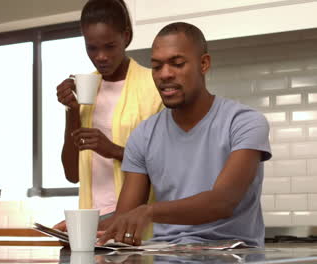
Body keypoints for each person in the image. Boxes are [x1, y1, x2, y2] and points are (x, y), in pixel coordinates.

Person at [97, 22, 272, 247]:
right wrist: (85, 226)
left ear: (204, 63)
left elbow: (223, 202)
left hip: (232, 255)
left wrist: (149, 211)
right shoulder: (143, 135)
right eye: (157, 67)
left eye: (177, 64)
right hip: (166, 255)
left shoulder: (244, 122)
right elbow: (126, 216)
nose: (165, 74)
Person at [54, 0, 163, 230]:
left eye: (109, 46)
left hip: (137, 225)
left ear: (126, 36)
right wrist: (72, 111)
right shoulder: (85, 91)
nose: (100, 56)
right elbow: (72, 174)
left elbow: (167, 168)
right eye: (92, 48)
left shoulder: (154, 87)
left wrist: (112, 150)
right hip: (91, 222)